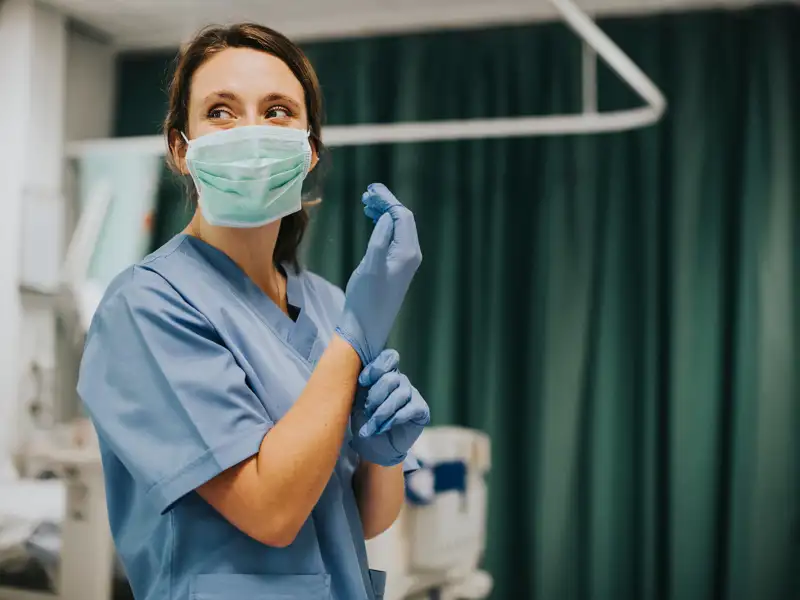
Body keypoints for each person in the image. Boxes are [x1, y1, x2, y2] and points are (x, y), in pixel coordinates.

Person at [77, 23, 429, 600]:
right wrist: (354, 340)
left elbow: (355, 521)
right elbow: (271, 512)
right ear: (179, 149)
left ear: (309, 149)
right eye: (220, 111)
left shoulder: (328, 304)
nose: (250, 132)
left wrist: (381, 455)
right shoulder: (146, 306)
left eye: (277, 111)